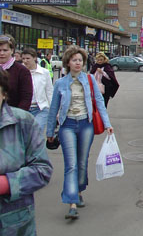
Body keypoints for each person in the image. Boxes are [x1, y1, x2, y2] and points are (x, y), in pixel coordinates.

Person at [46, 45, 113, 220]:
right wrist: (50, 131)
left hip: (86, 125)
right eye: (74, 60)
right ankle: (72, 202)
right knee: (71, 164)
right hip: (67, 125)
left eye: (80, 60)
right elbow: (53, 109)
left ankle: (79, 189)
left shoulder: (90, 80)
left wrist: (107, 124)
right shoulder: (61, 83)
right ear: (68, 62)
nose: (78, 63)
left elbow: (99, 103)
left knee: (82, 162)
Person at [0, 69, 53, 234]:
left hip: (14, 224)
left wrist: (6, 184)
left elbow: (42, 170)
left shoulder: (23, 123)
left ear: (3, 93)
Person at [22, 47, 53, 133]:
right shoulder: (21, 72)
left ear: (35, 58)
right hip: (25, 109)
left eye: (28, 58)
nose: (25, 61)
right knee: (26, 136)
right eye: (23, 58)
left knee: (36, 132)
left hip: (41, 108)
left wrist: (53, 110)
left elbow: (49, 92)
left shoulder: (44, 73)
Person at [0, 34, 33, 111]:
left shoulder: (22, 71)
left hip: (14, 117)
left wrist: (17, 117)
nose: (2, 53)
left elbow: (26, 98)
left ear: (12, 50)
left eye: (5, 50)